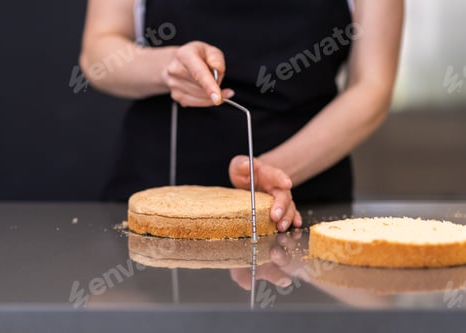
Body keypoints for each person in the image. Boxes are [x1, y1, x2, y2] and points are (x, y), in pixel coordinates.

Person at [79, 0, 404, 232]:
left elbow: (371, 87)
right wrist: (167, 67)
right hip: (154, 193)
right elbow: (97, 52)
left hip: (299, 204)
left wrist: (272, 173)